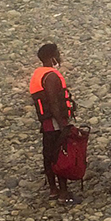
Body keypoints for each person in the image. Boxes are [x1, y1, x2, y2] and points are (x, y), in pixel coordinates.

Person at [29, 42, 78, 204]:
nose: (60, 56)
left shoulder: (39, 74)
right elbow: (54, 102)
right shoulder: (51, 77)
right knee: (59, 154)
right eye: (58, 53)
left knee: (48, 154)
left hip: (46, 123)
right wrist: (63, 125)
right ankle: (63, 192)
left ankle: (53, 190)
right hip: (55, 122)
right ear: (52, 57)